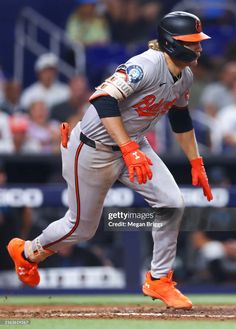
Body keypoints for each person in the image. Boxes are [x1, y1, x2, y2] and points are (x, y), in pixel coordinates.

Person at [7, 11, 213, 309]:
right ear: (171, 44)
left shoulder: (185, 75)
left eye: (198, 42)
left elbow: (180, 117)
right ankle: (27, 252)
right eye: (192, 43)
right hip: (92, 147)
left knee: (172, 203)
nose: (199, 48)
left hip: (133, 144)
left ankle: (159, 280)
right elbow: (103, 100)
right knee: (81, 227)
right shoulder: (145, 65)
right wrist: (129, 149)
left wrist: (196, 161)